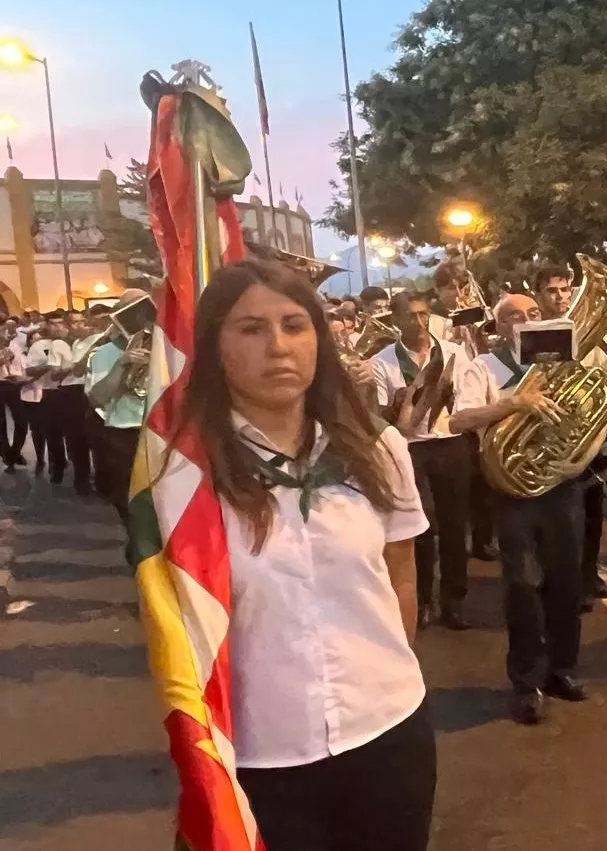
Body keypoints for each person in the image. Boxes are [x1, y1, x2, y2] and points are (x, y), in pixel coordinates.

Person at [171, 258, 434, 851]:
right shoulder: (187, 473)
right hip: (261, 751)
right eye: (251, 329)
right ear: (214, 346)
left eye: (295, 325)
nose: (278, 347)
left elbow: (402, 576)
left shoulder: (377, 446)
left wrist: (384, 673)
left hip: (389, 730)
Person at [451, 292, 589, 725]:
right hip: (512, 490)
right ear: (500, 326)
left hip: (562, 486)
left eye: (533, 314)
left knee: (567, 583)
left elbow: (589, 416)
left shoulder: (565, 364)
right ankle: (526, 681)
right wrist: (513, 402)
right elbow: (459, 419)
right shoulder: (484, 367)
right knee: (524, 587)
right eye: (515, 316)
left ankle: (561, 669)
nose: (528, 320)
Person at [371, 291, 486, 630]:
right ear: (396, 320)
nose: (420, 323)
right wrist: (398, 403)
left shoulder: (452, 352)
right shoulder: (383, 361)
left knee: (454, 525)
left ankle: (454, 600)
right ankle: (421, 600)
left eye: (424, 315)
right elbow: (381, 416)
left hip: (450, 444)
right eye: (411, 316)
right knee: (421, 527)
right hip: (411, 448)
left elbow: (465, 404)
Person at [538, 264, 607, 603]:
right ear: (539, 294)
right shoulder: (535, 332)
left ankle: (588, 576)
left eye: (565, 290)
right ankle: (559, 581)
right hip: (552, 430)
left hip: (590, 428)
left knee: (593, 509)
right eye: (552, 290)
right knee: (557, 514)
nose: (560, 297)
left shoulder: (603, 329)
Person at [85, 291, 152, 521]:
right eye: (131, 307)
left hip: (158, 434)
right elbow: (97, 398)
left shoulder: (165, 351)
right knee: (129, 506)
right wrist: (122, 364)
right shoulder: (103, 352)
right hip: (124, 435)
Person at [23, 311, 69, 483]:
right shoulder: (39, 346)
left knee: (76, 434)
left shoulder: (72, 342)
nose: (57, 327)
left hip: (74, 392)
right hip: (51, 393)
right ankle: (56, 467)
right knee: (53, 433)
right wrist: (48, 365)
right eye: (53, 324)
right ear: (47, 326)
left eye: (60, 323)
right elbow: (29, 370)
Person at [57, 308, 98, 495]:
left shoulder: (95, 339)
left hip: (84, 390)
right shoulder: (74, 343)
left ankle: (96, 477)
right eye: (75, 322)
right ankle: (81, 479)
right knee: (75, 439)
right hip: (70, 393)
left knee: (90, 436)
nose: (81, 325)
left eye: (83, 320)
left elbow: (78, 370)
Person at [1, 319, 28, 471]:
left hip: (14, 385)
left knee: (22, 421)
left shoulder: (15, 345)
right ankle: (6, 455)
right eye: (3, 330)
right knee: (1, 424)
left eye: (8, 330)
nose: (7, 333)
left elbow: (23, 365)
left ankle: (13, 453)